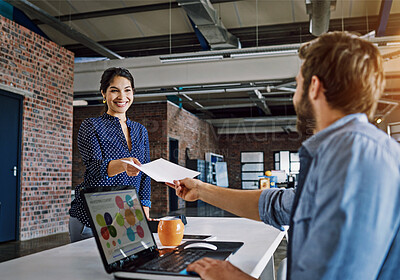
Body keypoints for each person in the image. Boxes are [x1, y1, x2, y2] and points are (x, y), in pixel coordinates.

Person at [168, 31, 400, 280]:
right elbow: (278, 206)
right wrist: (201, 190)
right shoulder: (361, 150)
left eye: (297, 83)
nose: (294, 94)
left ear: (314, 87)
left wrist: (231, 277)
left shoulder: (350, 159)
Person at [69, 67, 151, 243]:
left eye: (127, 90)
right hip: (92, 217)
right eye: (114, 90)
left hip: (128, 218)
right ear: (104, 94)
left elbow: (145, 175)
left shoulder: (140, 131)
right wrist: (123, 164)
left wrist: (145, 210)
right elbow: (95, 167)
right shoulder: (90, 126)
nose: (122, 97)